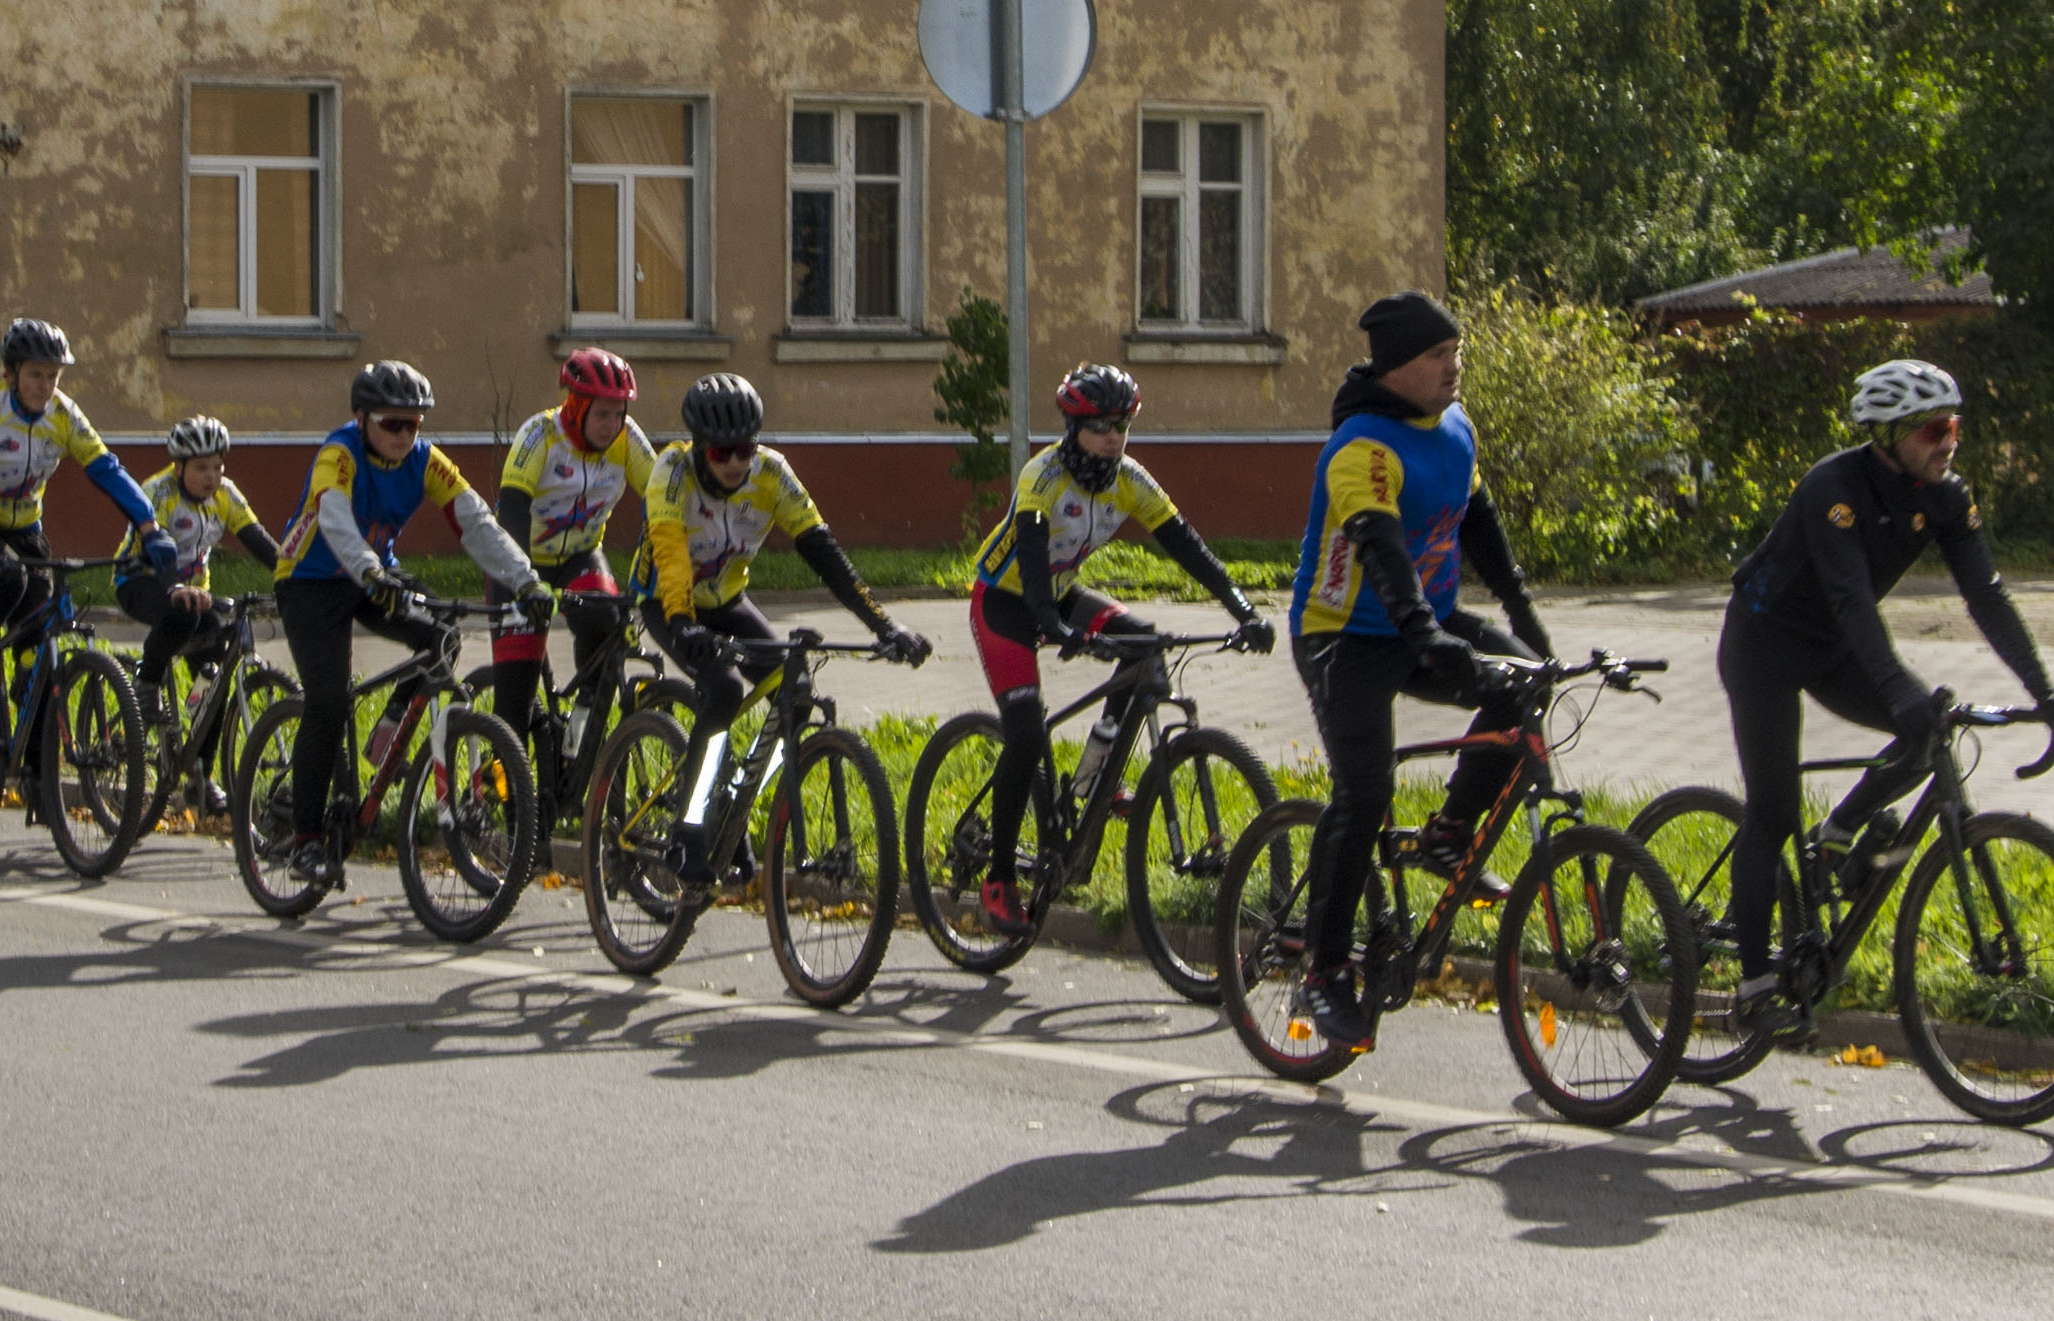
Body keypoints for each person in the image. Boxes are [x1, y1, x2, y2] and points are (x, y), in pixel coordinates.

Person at [1717, 357, 2054, 993]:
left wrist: (2045, 693)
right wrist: (1897, 688)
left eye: (1953, 428)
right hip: (1763, 646)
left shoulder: (1945, 496)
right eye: (1932, 430)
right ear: (1888, 435)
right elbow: (1851, 599)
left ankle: (1836, 835)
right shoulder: (1832, 487)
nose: (1948, 443)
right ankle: (1754, 987)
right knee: (1773, 815)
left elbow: (1988, 598)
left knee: (1927, 732)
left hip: (1834, 647)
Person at [1284, 294, 1556, 1057]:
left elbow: (1479, 521)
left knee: (1524, 688)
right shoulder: (1361, 448)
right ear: (1397, 368)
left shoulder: (1455, 427)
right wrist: (1425, 635)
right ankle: (1322, 970)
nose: (1454, 365)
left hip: (1424, 623)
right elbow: (1381, 549)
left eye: (1456, 351)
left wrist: (1522, 614)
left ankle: (1448, 835)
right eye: (1439, 355)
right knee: (1365, 793)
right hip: (1343, 637)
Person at [963, 363, 1270, 938]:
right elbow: (1031, 555)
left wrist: (1243, 609)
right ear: (1073, 427)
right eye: (1100, 426)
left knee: (1142, 641)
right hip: (1005, 602)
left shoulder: (1130, 479)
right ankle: (999, 880)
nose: (1113, 437)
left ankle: (1095, 780)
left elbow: (1187, 546)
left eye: (1122, 425)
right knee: (1025, 733)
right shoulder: (1043, 476)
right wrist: (1052, 626)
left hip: (1060, 593)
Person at [636, 373, 924, 895]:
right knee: (724, 688)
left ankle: (737, 804)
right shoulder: (672, 472)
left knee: (797, 693)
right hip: (668, 603)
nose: (735, 463)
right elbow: (671, 556)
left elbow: (824, 552)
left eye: (745, 449)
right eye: (721, 452)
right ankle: (688, 830)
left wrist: (885, 625)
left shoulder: (771, 474)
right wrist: (683, 624)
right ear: (699, 447)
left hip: (728, 600)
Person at [269, 359, 544, 861]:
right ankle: (306, 839)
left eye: (413, 425)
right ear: (361, 419)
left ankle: (388, 732)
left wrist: (525, 580)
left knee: (442, 637)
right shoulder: (339, 453)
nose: (403, 435)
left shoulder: (424, 460)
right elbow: (334, 517)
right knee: (328, 701)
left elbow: (475, 521)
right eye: (392, 423)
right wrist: (372, 573)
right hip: (310, 579)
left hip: (374, 573)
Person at [0, 319, 152, 716]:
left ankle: (30, 737)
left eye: (53, 376)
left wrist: (149, 528)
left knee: (38, 641)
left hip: (25, 529)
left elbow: (106, 470)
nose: (45, 386)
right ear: (11, 373)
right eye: (35, 374)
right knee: (8, 579)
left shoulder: (64, 415)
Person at [485, 347, 647, 771]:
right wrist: (524, 584)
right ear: (575, 407)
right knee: (516, 697)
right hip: (519, 559)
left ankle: (577, 744)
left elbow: (663, 499)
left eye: (619, 414)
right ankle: (505, 794)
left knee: (605, 623)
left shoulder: (627, 439)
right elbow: (512, 513)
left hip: (579, 556)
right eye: (602, 415)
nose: (612, 425)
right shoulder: (540, 434)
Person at [118, 413, 271, 706]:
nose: (211, 476)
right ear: (178, 467)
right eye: (201, 467)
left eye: (217, 466)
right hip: (141, 580)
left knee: (214, 669)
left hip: (195, 592)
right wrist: (174, 586)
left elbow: (257, 538)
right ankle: (146, 684)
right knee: (181, 615)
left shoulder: (225, 494)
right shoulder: (158, 491)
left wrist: (293, 575)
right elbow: (155, 547)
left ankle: (202, 724)